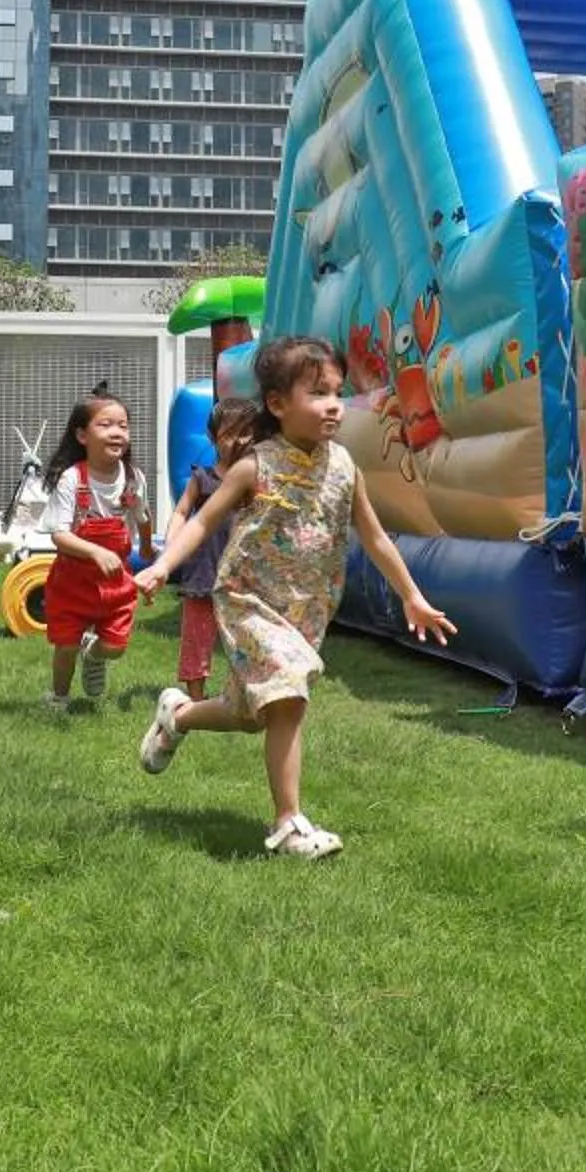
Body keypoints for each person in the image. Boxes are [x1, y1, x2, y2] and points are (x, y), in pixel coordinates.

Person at [135, 336, 455, 858]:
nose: (333, 403)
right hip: (248, 601)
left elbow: (374, 538)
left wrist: (412, 597)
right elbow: (204, 521)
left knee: (250, 713)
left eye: (337, 392)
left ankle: (179, 715)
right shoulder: (254, 466)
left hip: (305, 610)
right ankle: (288, 824)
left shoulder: (345, 468)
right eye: (318, 392)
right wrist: (163, 566)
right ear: (278, 404)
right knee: (288, 697)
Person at [40, 383, 155, 712]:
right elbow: (59, 535)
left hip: (115, 581)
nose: (117, 432)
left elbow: (142, 516)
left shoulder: (133, 479)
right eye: (105, 425)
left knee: (116, 646)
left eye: (123, 425)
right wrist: (95, 552)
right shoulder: (72, 479)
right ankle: (58, 698)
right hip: (72, 580)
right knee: (65, 644)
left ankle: (95, 655)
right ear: (82, 436)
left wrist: (146, 548)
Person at [160, 399, 255, 704]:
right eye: (231, 433)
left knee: (245, 638)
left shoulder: (256, 480)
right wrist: (172, 544)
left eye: (247, 433)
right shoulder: (202, 478)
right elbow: (182, 511)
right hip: (203, 571)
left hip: (242, 574)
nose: (239, 440)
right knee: (197, 639)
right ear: (214, 438)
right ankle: (197, 699)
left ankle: (242, 692)